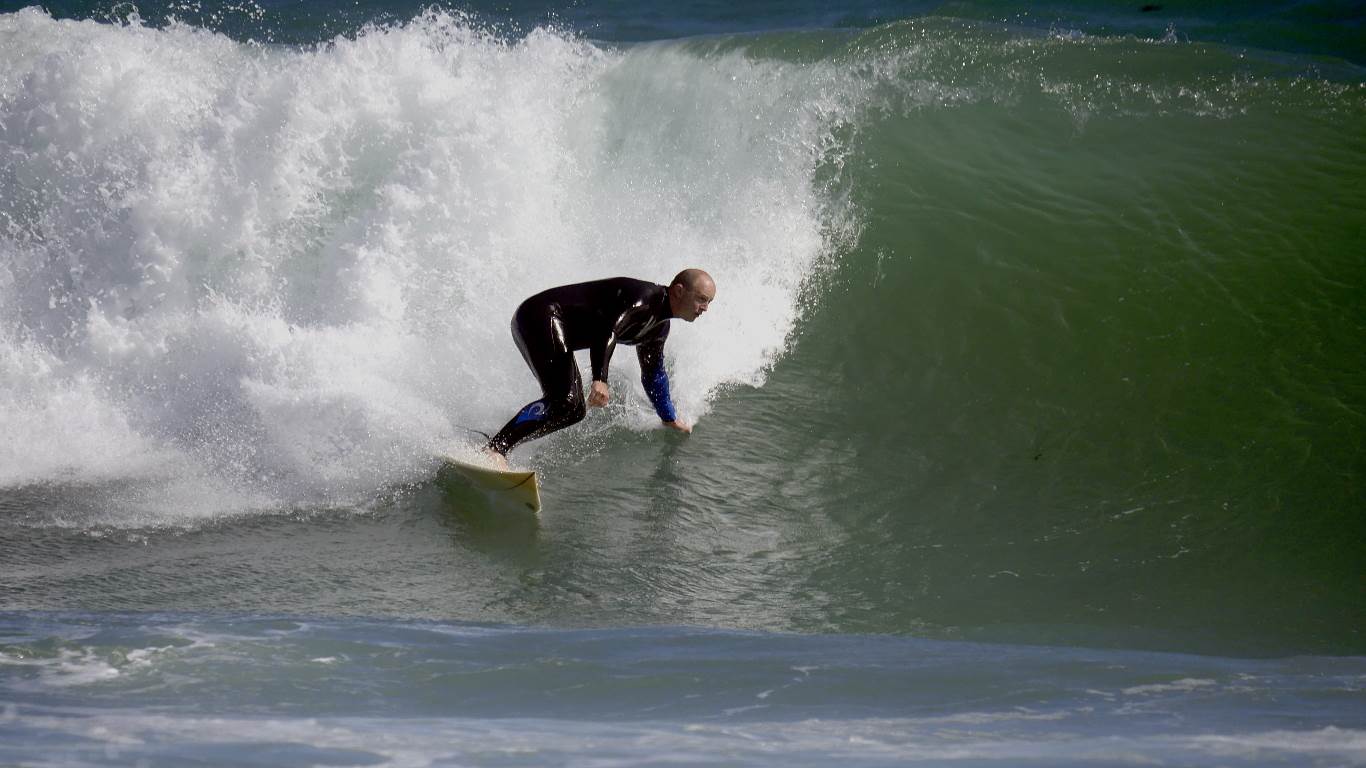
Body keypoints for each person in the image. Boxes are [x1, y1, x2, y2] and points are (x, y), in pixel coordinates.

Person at [483, 269, 716, 468]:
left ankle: (498, 446)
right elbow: (606, 330)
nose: (705, 308)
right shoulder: (643, 299)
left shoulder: (658, 329)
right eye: (702, 299)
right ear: (678, 290)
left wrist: (668, 418)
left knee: (573, 410)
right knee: (564, 399)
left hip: (555, 330)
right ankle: (495, 449)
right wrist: (599, 379)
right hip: (540, 316)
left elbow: (653, 374)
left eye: (709, 302)